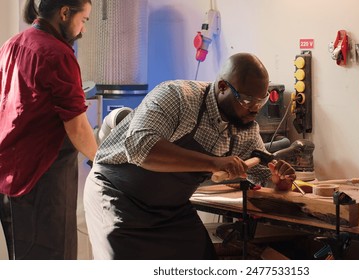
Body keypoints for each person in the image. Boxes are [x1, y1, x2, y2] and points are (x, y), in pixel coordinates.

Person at [84, 52, 296, 260]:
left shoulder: (245, 129)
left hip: (170, 211)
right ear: (223, 87)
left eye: (261, 101)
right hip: (118, 197)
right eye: (248, 101)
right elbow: (141, 148)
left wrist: (278, 181)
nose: (255, 110)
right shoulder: (177, 96)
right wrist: (214, 162)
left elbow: (261, 174)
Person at [0, 0, 96, 259]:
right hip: (42, 180)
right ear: (65, 13)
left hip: (7, 176)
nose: (83, 30)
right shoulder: (57, 53)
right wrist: (103, 161)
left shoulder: (11, 44)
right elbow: (76, 126)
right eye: (83, 20)